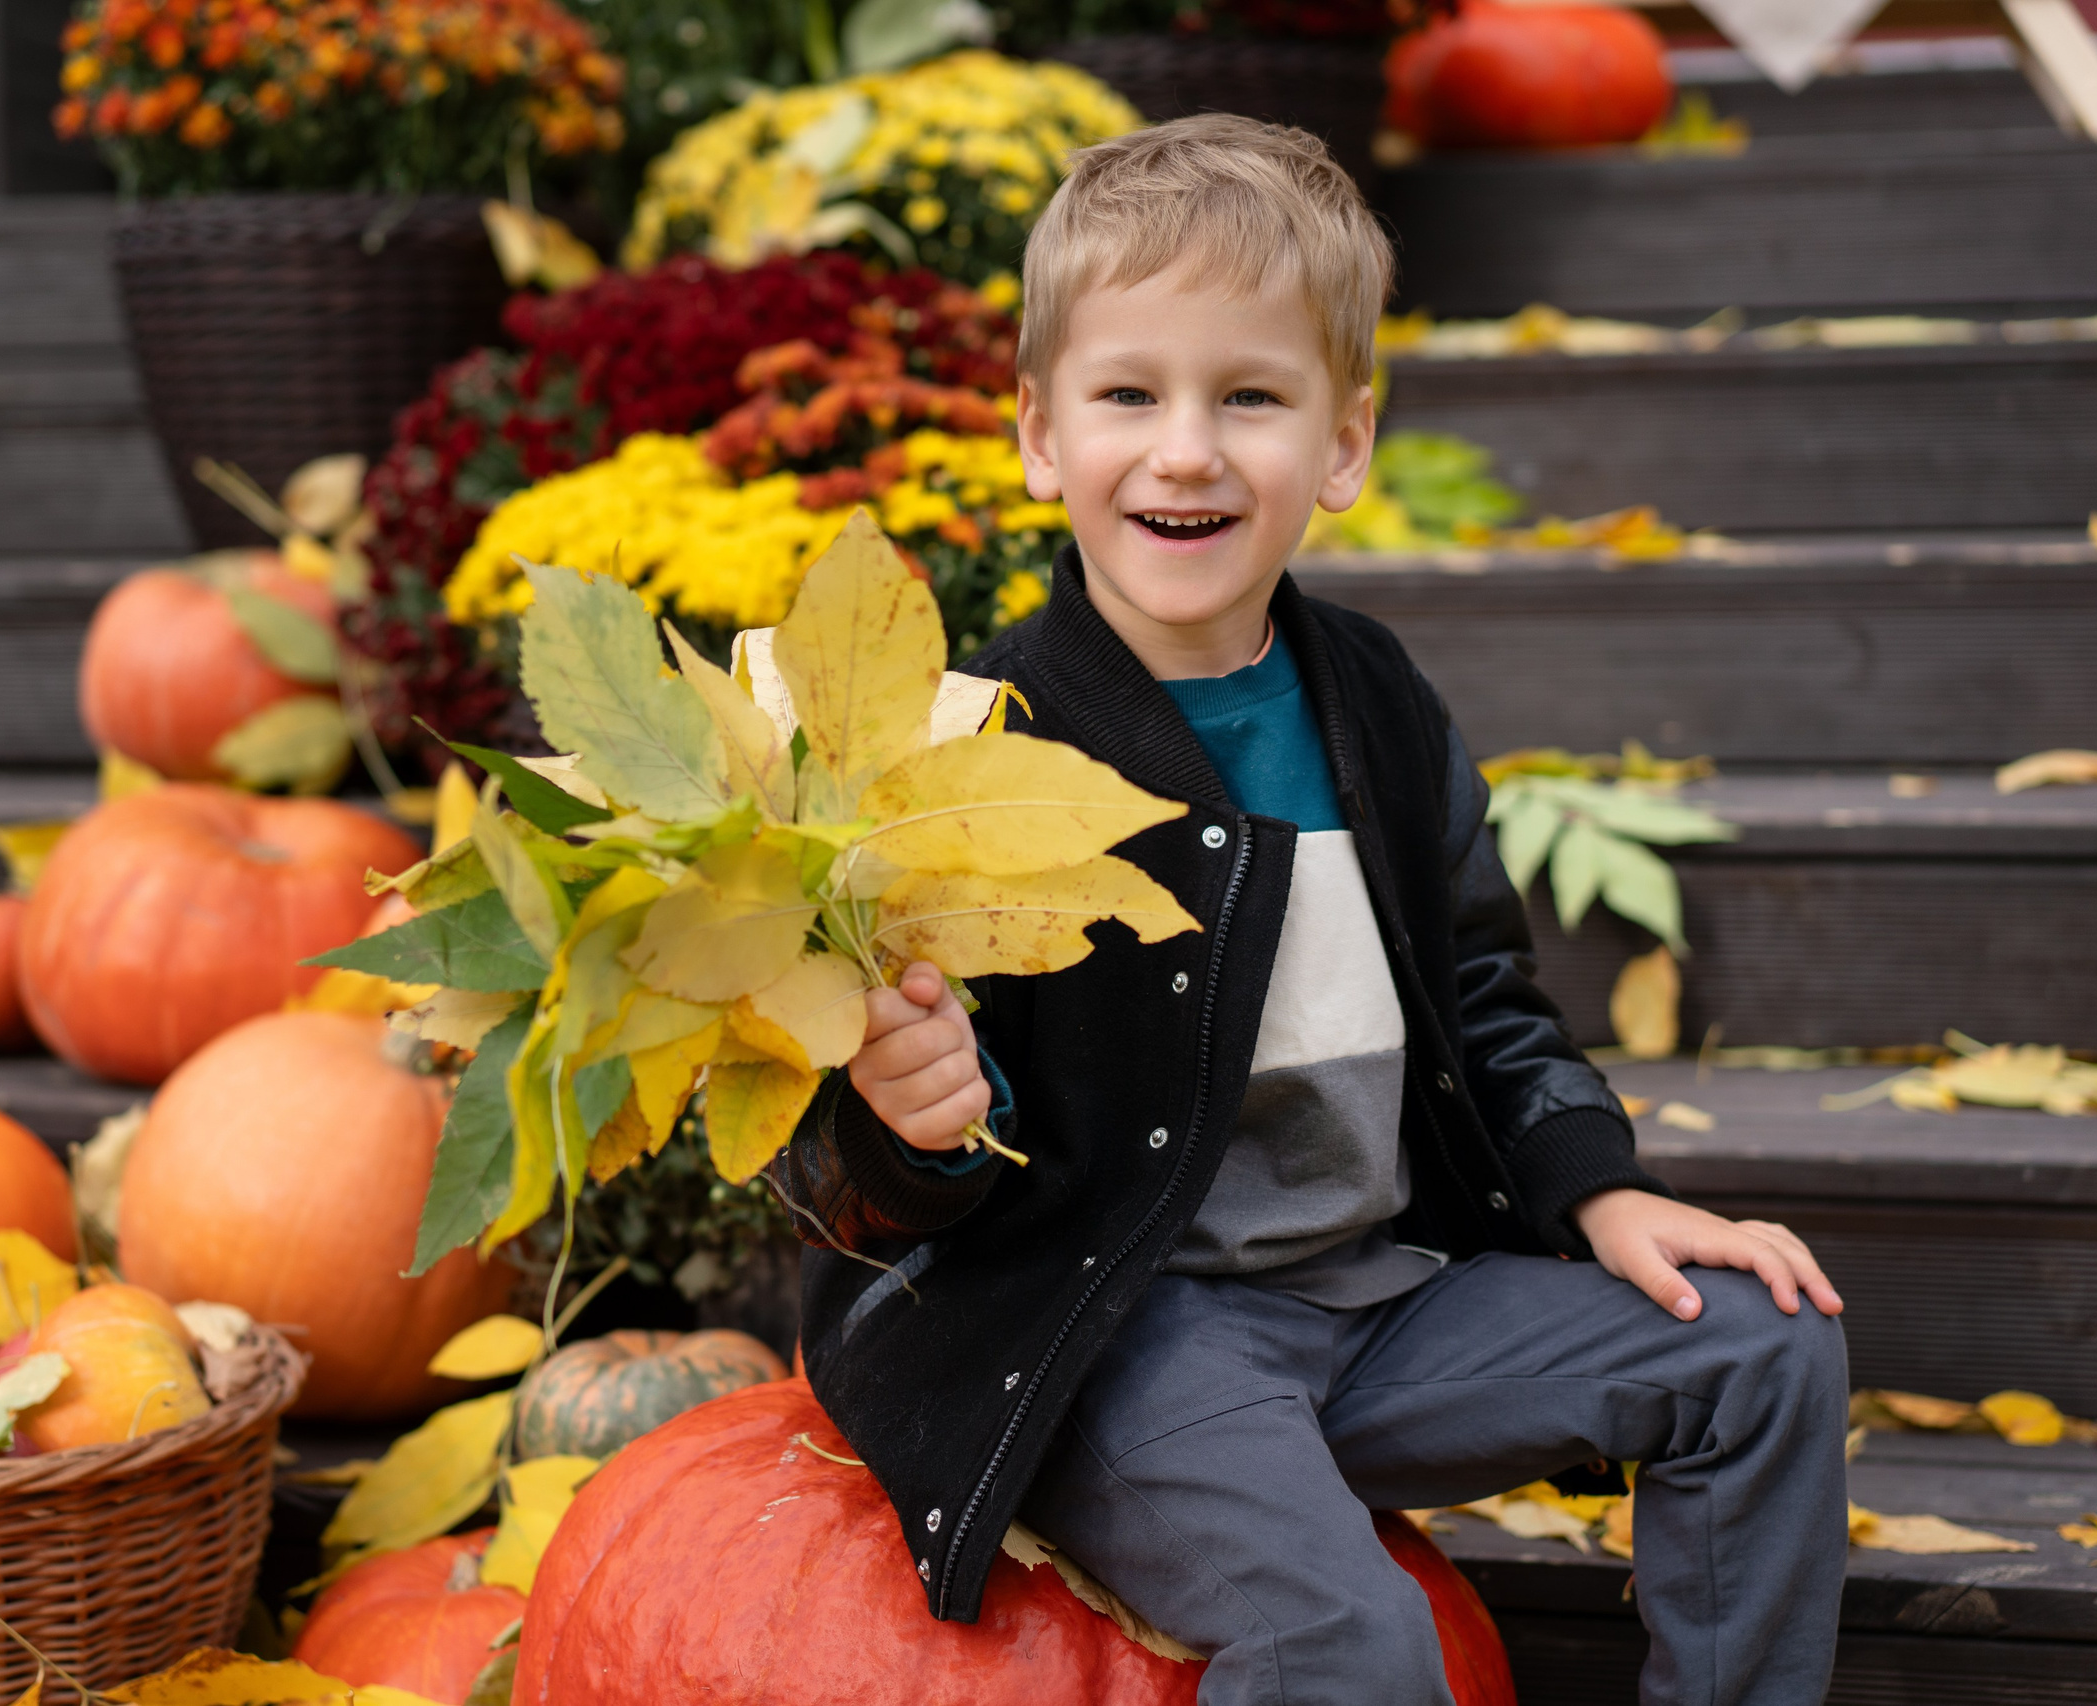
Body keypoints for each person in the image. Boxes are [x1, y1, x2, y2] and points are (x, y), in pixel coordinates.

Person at [769, 114, 1850, 1705]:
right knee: (1352, 1637)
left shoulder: (1377, 701)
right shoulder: (967, 745)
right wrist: (913, 1125)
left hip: (1374, 1304)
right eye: (1130, 393)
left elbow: (1484, 995)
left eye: (1249, 397)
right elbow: (853, 1143)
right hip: (1122, 1339)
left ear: (1342, 442)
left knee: (1763, 1346)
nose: (1188, 448)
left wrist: (1596, 1190)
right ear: (1041, 435)